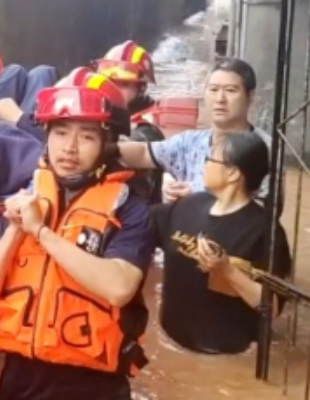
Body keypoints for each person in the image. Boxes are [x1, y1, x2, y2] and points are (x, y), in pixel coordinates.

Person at [0, 74, 154, 400]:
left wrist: (41, 232)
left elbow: (119, 288)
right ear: (46, 136)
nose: (69, 147)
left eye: (86, 136)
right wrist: (16, 230)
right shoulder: (23, 201)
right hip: (19, 383)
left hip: (93, 388)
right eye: (60, 133)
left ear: (107, 144)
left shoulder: (130, 209)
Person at [151, 132, 291, 354]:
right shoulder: (190, 205)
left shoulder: (265, 232)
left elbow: (271, 306)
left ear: (233, 173)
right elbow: (140, 228)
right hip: (172, 345)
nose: (204, 165)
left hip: (224, 356)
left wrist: (227, 270)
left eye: (210, 159)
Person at [112, 57, 273, 204]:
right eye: (213, 89)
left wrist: (195, 200)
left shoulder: (264, 149)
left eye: (230, 90)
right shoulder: (189, 142)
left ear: (250, 97)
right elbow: (143, 152)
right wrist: (100, 147)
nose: (220, 99)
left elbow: (263, 207)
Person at [93, 40, 165, 204]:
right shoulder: (105, 114)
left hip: (135, 210)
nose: (113, 90)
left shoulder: (148, 128)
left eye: (124, 85)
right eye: (109, 82)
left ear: (141, 88)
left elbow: (126, 150)